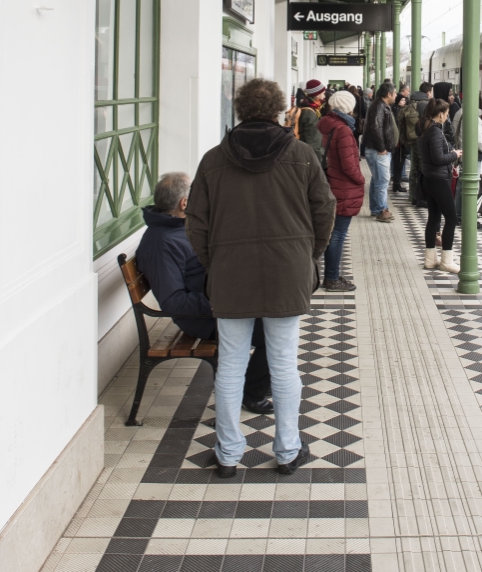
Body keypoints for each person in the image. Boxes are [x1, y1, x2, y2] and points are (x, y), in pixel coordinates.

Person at [187, 77, 335, 477]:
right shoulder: (302, 156)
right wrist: (307, 254)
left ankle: (228, 453)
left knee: (232, 364)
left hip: (231, 275)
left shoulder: (214, 160)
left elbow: (196, 223)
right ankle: (287, 450)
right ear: (277, 110)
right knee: (284, 363)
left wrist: (214, 261)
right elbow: (325, 211)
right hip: (287, 272)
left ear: (239, 109)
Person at [136, 172, 273, 415]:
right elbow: (173, 302)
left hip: (216, 303)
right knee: (271, 331)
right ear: (184, 204)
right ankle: (252, 392)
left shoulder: (178, 227)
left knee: (275, 310)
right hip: (202, 318)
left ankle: (257, 381)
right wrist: (222, 301)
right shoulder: (162, 244)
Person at [318, 90, 364, 291]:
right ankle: (332, 278)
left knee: (332, 232)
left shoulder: (327, 125)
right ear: (349, 108)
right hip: (343, 188)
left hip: (330, 183)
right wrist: (361, 179)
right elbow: (348, 166)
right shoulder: (343, 130)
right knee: (337, 233)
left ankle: (331, 275)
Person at [418, 98, 463, 274]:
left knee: (434, 218)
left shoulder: (425, 129)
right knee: (451, 219)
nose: (447, 116)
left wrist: (449, 151)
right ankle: (446, 260)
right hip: (438, 180)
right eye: (446, 113)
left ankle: (430, 259)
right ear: (440, 114)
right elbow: (438, 159)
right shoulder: (435, 132)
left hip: (429, 178)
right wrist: (454, 154)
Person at [363, 81, 399, 222]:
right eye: (394, 93)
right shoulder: (379, 106)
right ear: (389, 94)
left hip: (376, 149)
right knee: (382, 180)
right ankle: (382, 210)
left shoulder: (379, 105)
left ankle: (375, 208)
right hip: (378, 151)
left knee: (377, 179)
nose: (396, 96)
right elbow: (375, 127)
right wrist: (382, 148)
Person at [451, 102, 482, 230]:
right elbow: (479, 140)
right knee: (473, 186)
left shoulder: (461, 116)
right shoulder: (474, 119)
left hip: (463, 153)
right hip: (473, 154)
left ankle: (458, 215)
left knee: (461, 185)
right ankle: (471, 218)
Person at [403, 82, 432, 203]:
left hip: (412, 139)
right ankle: (420, 198)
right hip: (420, 140)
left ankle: (413, 195)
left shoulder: (412, 101)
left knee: (414, 168)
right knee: (422, 168)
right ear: (428, 92)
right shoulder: (424, 104)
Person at [296, 79, 326, 152]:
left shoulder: (309, 107)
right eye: (323, 93)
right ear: (317, 95)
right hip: (311, 156)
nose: (324, 96)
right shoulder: (310, 112)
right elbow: (314, 141)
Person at [391, 88, 410, 195]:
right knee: (399, 164)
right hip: (399, 143)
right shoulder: (398, 111)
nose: (404, 102)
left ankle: (396, 184)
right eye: (402, 100)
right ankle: (396, 184)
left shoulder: (394, 109)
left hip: (398, 142)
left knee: (398, 164)